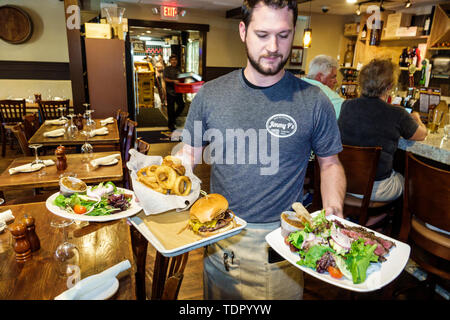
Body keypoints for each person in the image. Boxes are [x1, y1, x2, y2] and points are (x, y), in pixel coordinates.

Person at [178, 0, 346, 300]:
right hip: (220, 236)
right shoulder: (211, 94)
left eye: (283, 35)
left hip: (281, 244)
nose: (273, 46)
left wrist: (334, 208)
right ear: (243, 31)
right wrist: (160, 187)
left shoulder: (314, 100)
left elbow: (330, 163)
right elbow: (188, 154)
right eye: (262, 34)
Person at [338, 58, 427, 202]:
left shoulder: (347, 105)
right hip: (374, 188)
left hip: (342, 180)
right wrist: (417, 118)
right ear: (389, 86)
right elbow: (421, 135)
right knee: (406, 180)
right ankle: (378, 220)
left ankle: (370, 219)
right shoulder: (397, 113)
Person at [164, 54, 186, 131]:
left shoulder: (179, 69)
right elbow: (165, 79)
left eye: (175, 60)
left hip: (178, 91)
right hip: (170, 91)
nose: (174, 61)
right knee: (171, 109)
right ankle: (171, 125)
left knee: (182, 105)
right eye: (172, 60)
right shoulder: (167, 69)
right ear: (170, 61)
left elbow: (181, 78)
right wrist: (173, 81)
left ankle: (173, 118)